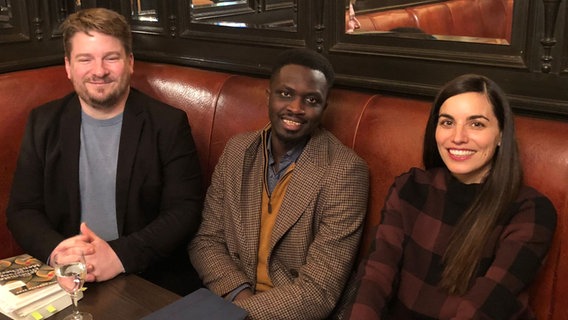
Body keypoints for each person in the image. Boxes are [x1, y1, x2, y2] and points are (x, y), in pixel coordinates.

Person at [6, 8, 203, 296]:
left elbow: (185, 211)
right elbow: (22, 209)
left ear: (130, 62)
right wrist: (59, 252)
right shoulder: (43, 122)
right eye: (85, 59)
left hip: (144, 274)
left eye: (111, 57)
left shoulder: (168, 123)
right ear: (68, 66)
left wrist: (118, 256)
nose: (99, 71)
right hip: (67, 276)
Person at [343, 74, 557, 319]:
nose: (457, 137)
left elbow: (484, 307)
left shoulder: (530, 211)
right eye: (447, 122)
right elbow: (375, 276)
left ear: (501, 134)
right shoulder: (410, 187)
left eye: (476, 124)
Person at [188, 48, 369, 319]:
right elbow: (206, 240)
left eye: (311, 99)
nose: (296, 108)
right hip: (230, 299)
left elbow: (319, 291)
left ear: (323, 108)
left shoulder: (345, 172)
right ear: (268, 96)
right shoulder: (238, 150)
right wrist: (238, 299)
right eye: (286, 94)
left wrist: (236, 315)